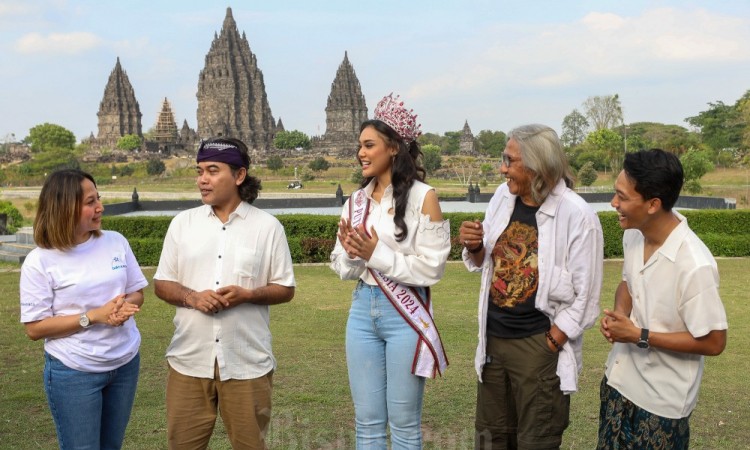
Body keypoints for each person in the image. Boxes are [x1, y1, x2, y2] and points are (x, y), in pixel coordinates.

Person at [458, 124, 603, 449]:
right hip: (494, 343)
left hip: (538, 347)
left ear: (538, 167)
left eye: (510, 161)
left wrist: (552, 341)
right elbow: (487, 262)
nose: (502, 168)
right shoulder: (501, 198)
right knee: (491, 438)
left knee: (537, 440)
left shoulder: (577, 215)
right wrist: (475, 246)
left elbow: (587, 296)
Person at [153, 136, 295, 450]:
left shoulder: (267, 227)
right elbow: (162, 284)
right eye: (200, 170)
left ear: (239, 175)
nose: (203, 179)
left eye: (213, 170)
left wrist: (248, 294)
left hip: (246, 361)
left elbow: (285, 289)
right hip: (189, 361)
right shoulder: (183, 224)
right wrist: (193, 298)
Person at [330, 93, 451, 449]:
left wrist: (375, 254)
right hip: (362, 312)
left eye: (369, 145)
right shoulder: (355, 201)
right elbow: (341, 266)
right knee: (366, 422)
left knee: (404, 424)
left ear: (394, 148)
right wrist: (355, 255)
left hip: (404, 316)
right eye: (360, 146)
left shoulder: (424, 197)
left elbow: (432, 268)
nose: (361, 153)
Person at [598, 149, 727, 449]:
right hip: (617, 383)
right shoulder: (633, 234)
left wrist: (639, 335)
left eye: (622, 196)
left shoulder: (694, 264)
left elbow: (714, 341)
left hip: (660, 406)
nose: (614, 203)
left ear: (653, 204)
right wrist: (621, 315)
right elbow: (628, 283)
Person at [19, 169, 147, 449]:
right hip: (74, 370)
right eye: (90, 202)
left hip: (124, 363)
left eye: (98, 198)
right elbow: (34, 328)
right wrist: (93, 317)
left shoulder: (115, 241)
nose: (100, 207)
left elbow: (137, 292)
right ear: (64, 207)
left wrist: (124, 307)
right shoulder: (40, 261)